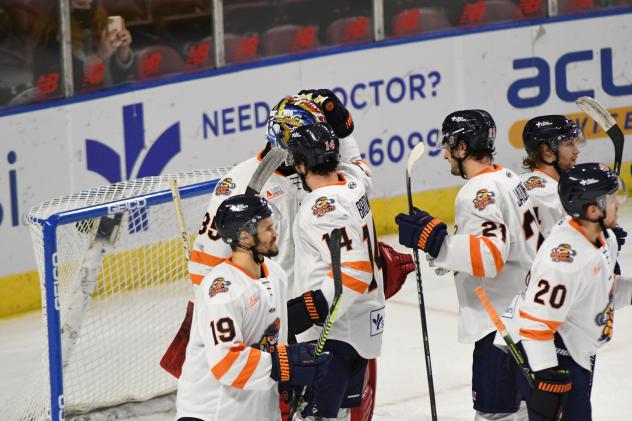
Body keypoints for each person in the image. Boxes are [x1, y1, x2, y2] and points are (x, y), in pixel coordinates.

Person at [395, 109, 540, 420]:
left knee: (495, 415)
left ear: (463, 147)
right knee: (527, 410)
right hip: (525, 317)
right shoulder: (508, 177)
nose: (445, 154)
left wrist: (437, 243)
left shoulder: (476, 192)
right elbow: (500, 243)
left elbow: (489, 256)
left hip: (498, 325)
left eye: (449, 146)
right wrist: (442, 247)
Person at [176, 194, 330, 421]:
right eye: (267, 228)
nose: (275, 232)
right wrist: (284, 364)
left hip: (255, 411)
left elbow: (276, 340)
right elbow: (226, 363)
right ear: (244, 237)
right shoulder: (222, 292)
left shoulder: (275, 274)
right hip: (211, 413)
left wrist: (292, 380)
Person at [510, 163, 632, 420]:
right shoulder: (563, 260)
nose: (618, 203)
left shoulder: (600, 235)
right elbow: (535, 323)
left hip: (574, 352)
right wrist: (545, 378)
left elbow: (600, 291)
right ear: (591, 209)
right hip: (553, 357)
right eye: (610, 199)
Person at [287, 122, 385, 420]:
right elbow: (360, 168)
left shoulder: (322, 206)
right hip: (361, 327)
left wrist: (312, 308)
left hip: (333, 336)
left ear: (303, 164)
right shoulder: (352, 185)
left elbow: (353, 271)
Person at [31, 0, 134, 97]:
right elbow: (59, 86)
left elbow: (124, 77)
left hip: (107, 96)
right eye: (80, 4)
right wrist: (99, 56)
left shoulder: (99, 24)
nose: (88, 9)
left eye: (91, 3)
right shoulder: (50, 37)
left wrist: (123, 50)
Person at [520, 115, 582, 238]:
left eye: (575, 143)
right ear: (547, 150)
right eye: (569, 144)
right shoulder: (549, 195)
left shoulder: (520, 181)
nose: (576, 151)